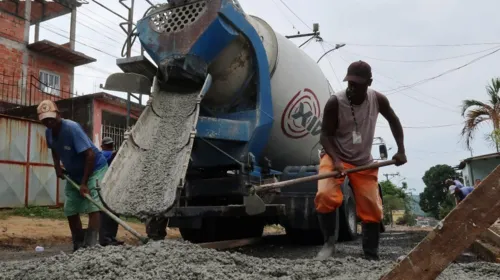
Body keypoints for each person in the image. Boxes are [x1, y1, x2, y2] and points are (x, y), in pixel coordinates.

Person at [316, 61, 407, 261]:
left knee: (371, 208)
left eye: (358, 83)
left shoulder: (378, 100)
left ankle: (371, 255)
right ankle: (329, 245)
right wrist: (338, 161)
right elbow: (325, 136)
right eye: (350, 82)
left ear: (369, 83)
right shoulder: (335, 102)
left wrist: (401, 150)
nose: (352, 87)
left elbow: (394, 120)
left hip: (363, 162)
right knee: (325, 195)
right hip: (334, 157)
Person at [37, 100, 108, 252]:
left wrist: (84, 184)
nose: (49, 122)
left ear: (59, 115)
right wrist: (57, 167)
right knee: (70, 208)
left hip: (95, 168)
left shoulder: (71, 128)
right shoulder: (48, 132)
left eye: (51, 118)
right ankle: (78, 243)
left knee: (93, 204)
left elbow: (90, 156)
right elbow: (54, 149)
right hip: (75, 173)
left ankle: (91, 245)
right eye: (45, 120)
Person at [99, 136, 124, 246]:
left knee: (114, 213)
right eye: (108, 145)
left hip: (114, 186)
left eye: (111, 145)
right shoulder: (102, 154)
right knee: (106, 214)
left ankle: (111, 237)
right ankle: (105, 239)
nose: (110, 147)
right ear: (103, 146)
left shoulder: (109, 153)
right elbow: (112, 157)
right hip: (106, 188)